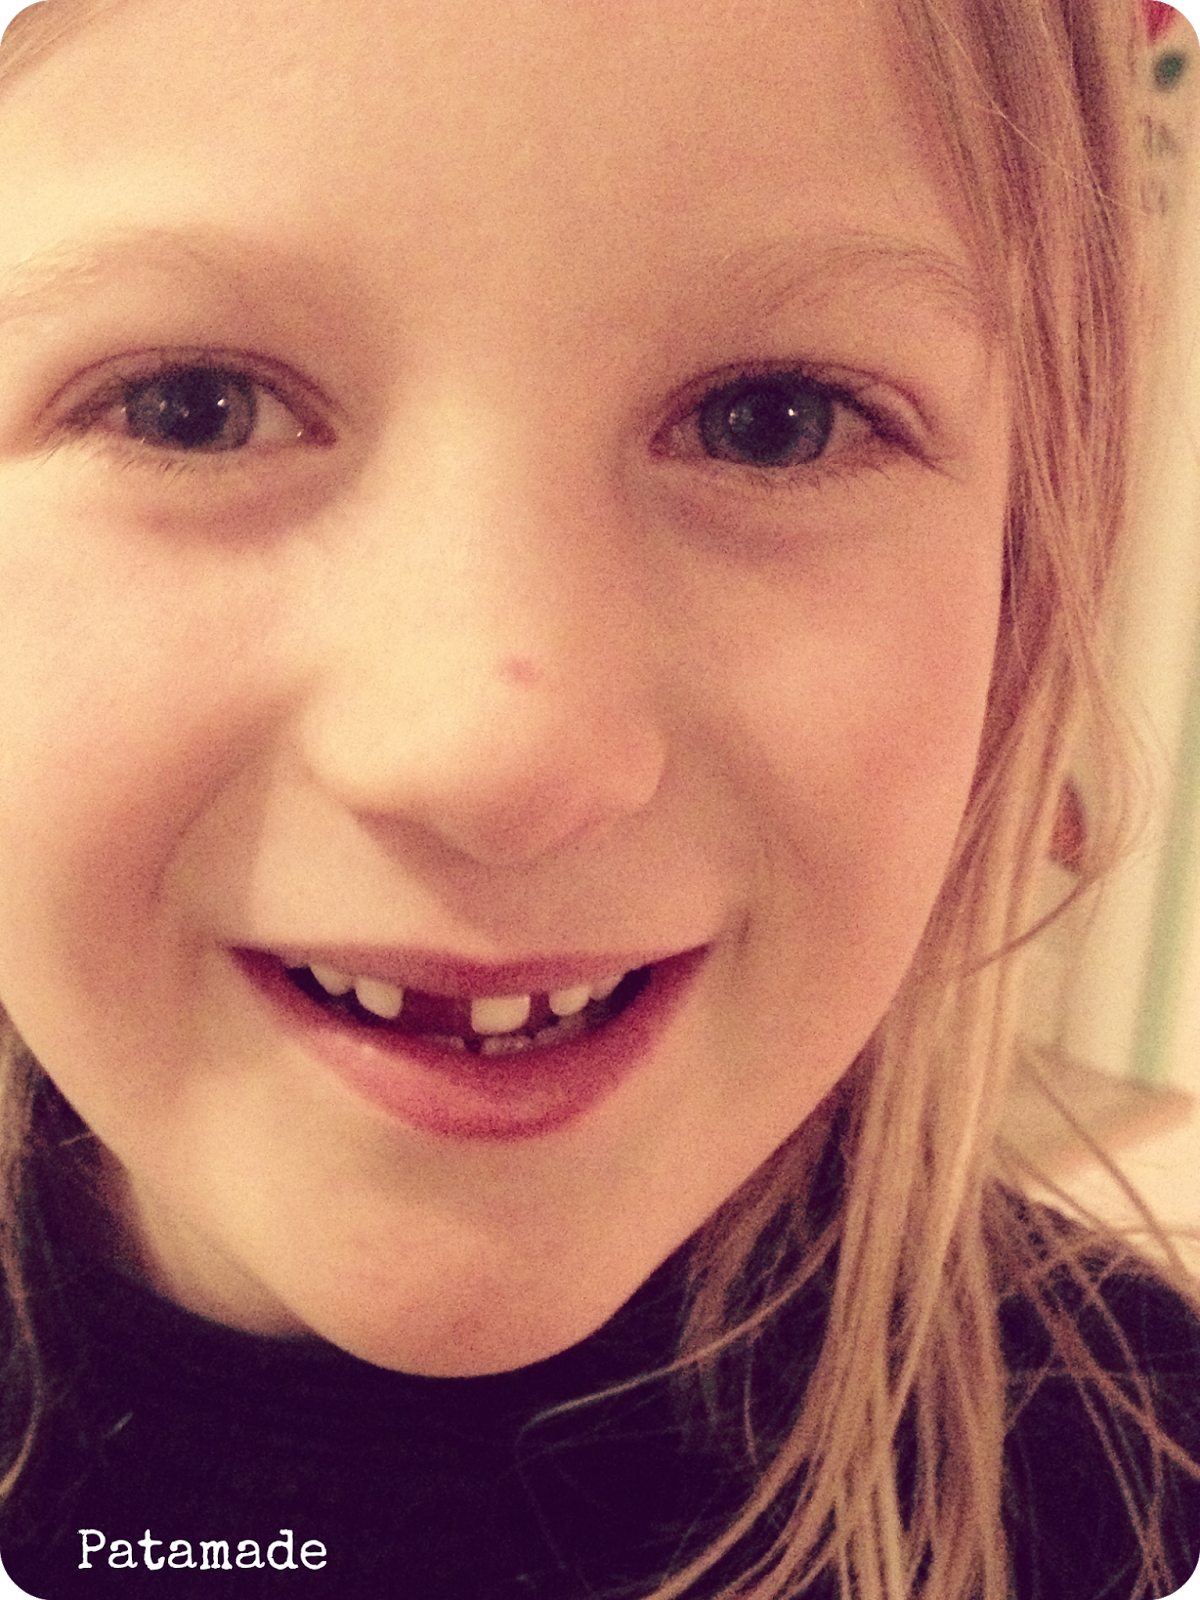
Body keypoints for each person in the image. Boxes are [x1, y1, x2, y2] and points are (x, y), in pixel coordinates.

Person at [0, 0, 1196, 1595]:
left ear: (1028, 567)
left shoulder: (1142, 1487)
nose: (499, 762)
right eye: (189, 405)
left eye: (774, 422)